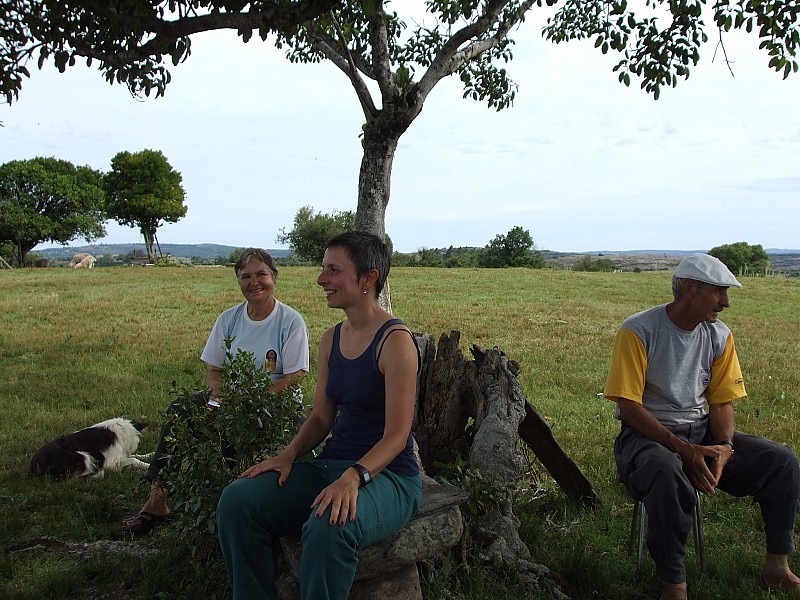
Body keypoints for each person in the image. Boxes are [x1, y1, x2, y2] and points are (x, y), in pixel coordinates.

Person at [216, 231, 422, 600]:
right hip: (332, 466)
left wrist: (354, 477)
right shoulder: (331, 338)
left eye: (333, 270)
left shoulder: (395, 341)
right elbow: (321, 418)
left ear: (368, 278)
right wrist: (287, 456)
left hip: (388, 477)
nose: (320, 279)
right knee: (238, 501)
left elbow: (397, 434)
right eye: (323, 268)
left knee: (331, 524)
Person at [604, 253, 800, 600]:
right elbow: (629, 407)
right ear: (690, 288)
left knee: (781, 460)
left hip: (700, 433)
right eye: (718, 291)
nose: (725, 302)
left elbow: (721, 402)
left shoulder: (719, 335)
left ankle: (777, 567)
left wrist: (724, 446)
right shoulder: (638, 330)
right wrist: (683, 450)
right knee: (666, 471)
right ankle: (674, 584)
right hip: (645, 437)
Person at [121, 248, 309, 536]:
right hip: (231, 399)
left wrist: (247, 403)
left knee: (235, 429)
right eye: (246, 277)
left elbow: (295, 377)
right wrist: (217, 398)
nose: (254, 282)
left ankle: (231, 502)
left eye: (261, 274)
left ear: (274, 277)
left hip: (275, 404)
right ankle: (158, 498)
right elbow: (215, 370)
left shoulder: (290, 321)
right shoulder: (229, 319)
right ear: (238, 281)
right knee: (180, 410)